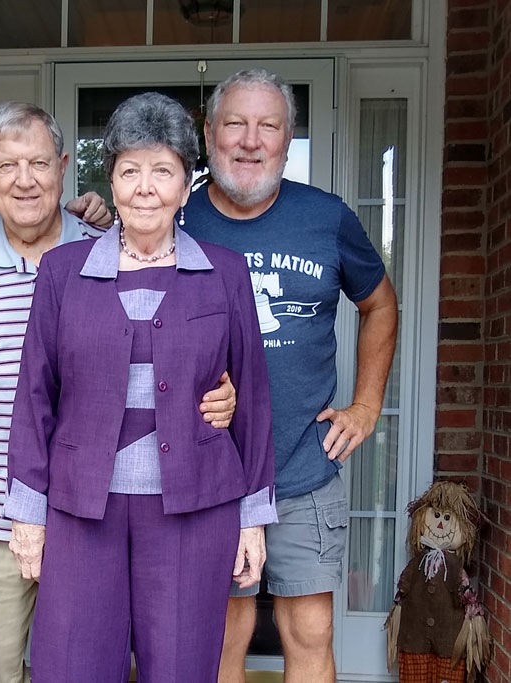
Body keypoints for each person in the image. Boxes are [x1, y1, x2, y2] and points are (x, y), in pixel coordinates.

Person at [0, 101, 236, 683]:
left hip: (93, 507)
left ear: (65, 168)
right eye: (8, 165)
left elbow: (202, 361)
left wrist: (223, 395)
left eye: (39, 163)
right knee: (6, 670)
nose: (25, 180)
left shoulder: (111, 245)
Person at [3, 92, 276, 682]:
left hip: (195, 511)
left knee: (180, 668)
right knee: (72, 666)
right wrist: (27, 513)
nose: (144, 188)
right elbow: (34, 396)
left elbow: (252, 398)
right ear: (112, 179)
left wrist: (253, 517)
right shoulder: (62, 273)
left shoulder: (225, 274)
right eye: (129, 171)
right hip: (81, 510)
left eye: (162, 171)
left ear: (186, 185)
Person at [182, 69, 399, 682]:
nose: (250, 141)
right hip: (211, 472)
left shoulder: (326, 218)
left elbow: (380, 304)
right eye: (235, 124)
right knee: (221, 635)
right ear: (209, 135)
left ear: (287, 138)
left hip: (304, 465)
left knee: (309, 630)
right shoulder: (176, 217)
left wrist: (366, 405)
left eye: (268, 126)